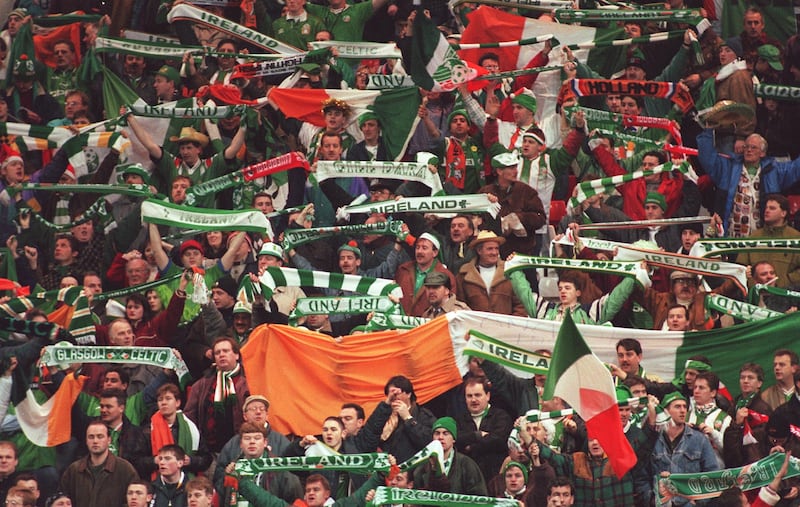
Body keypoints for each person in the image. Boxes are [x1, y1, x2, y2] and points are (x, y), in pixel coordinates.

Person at [697, 130, 800, 238]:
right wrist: (707, 131)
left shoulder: (774, 171)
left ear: (762, 153)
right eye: (746, 147)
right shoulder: (728, 168)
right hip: (731, 236)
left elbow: (796, 169)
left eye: (753, 147)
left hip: (762, 238)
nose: (749, 150)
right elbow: (707, 158)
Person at [646, 392, 719, 505]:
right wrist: (650, 499)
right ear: (666, 411)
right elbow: (642, 475)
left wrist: (699, 501)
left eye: (685, 407)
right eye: (677, 406)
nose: (683, 410)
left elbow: (712, 473)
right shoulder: (653, 439)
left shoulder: (699, 439)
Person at [184, 337, 250, 453]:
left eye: (226, 351)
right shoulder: (202, 384)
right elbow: (189, 416)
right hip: (210, 450)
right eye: (217, 353)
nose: (221, 355)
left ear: (236, 355)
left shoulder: (249, 382)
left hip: (241, 448)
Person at [479, 152, 546, 258]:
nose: (515, 171)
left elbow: (540, 218)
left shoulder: (526, 191)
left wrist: (519, 218)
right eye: (510, 168)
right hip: (492, 253)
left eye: (515, 167)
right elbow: (476, 219)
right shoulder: (485, 192)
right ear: (499, 171)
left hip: (522, 252)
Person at [59, 421, 139, 507]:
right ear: (86, 440)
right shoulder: (74, 470)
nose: (95, 441)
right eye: (91, 437)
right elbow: (63, 500)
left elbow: (134, 501)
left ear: (109, 440)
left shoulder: (125, 469)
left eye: (100, 437)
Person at [455, 378, 513, 482]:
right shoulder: (458, 419)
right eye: (469, 396)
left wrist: (470, 447)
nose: (473, 400)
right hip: (466, 477)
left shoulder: (501, 416)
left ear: (488, 396)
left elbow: (498, 441)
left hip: (494, 476)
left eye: (478, 395)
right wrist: (477, 435)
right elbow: (456, 439)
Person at [456, 230, 526, 316]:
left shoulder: (511, 271)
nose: (494, 253)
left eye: (496, 248)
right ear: (479, 251)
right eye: (490, 249)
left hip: (505, 327)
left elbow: (521, 305)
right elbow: (460, 306)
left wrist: (512, 326)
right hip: (475, 327)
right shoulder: (464, 274)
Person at [737, 194, 800, 288]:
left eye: (772, 208)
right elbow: (740, 266)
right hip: (755, 295)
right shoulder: (753, 237)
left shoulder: (795, 237)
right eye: (766, 208)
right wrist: (752, 283)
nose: (767, 211)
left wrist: (787, 280)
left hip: (785, 295)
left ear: (783, 213)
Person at [413, 417, 487, 496]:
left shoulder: (466, 464)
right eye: (437, 433)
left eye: (446, 433)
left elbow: (480, 497)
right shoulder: (422, 467)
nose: (440, 437)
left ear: (453, 439)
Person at [395, 233, 457, 317]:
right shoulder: (403, 270)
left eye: (424, 248)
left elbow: (449, 304)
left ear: (434, 252)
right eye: (417, 247)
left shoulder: (445, 275)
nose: (419, 251)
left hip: (429, 324)